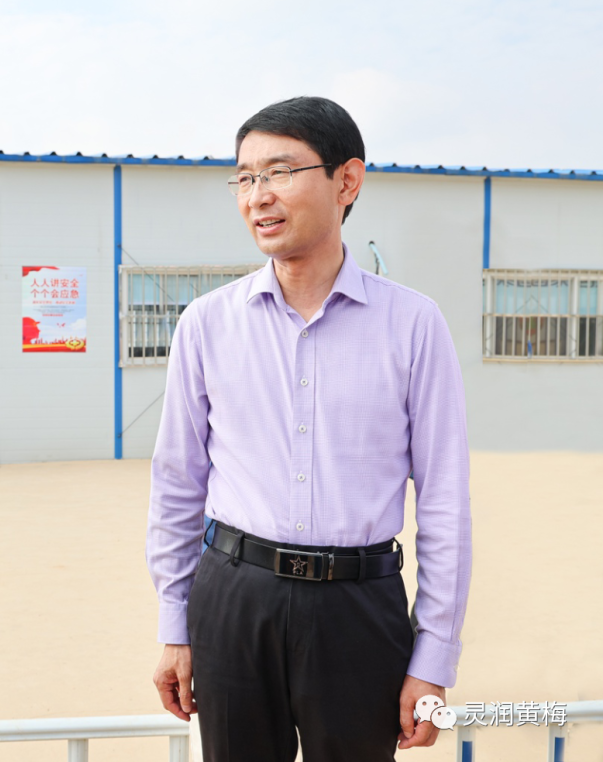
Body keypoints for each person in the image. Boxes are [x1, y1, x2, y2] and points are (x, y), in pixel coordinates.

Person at [146, 96, 471, 761]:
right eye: (244, 177)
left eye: (279, 172)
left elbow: (444, 499)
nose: (257, 196)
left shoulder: (413, 325)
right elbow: (178, 482)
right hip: (233, 601)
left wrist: (433, 656)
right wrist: (175, 624)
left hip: (359, 609)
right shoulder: (207, 324)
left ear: (346, 181)